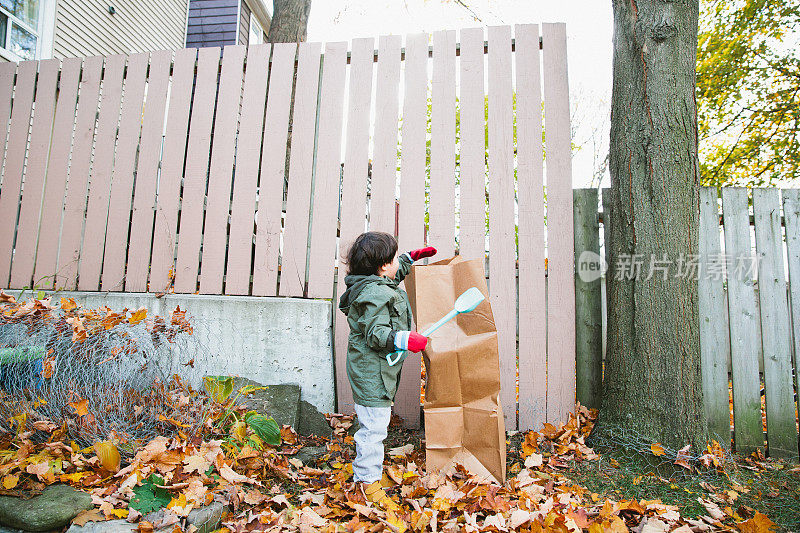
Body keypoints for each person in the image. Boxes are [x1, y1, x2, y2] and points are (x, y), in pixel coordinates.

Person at [338, 231, 436, 510]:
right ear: (382, 266)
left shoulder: (375, 282)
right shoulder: (375, 295)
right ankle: (366, 483)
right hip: (371, 373)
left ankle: (365, 475)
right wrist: (405, 339)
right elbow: (376, 333)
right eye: (394, 258)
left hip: (377, 370)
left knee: (373, 422)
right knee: (373, 429)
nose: (397, 264)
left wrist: (409, 259)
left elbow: (393, 274)